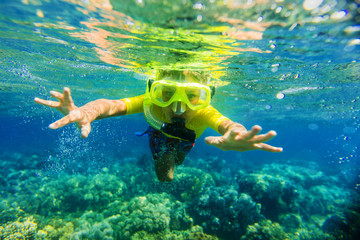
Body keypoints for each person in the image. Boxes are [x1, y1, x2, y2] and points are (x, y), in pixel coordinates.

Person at [34, 70, 282, 182]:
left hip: (187, 140)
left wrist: (236, 135)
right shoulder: (148, 104)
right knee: (164, 176)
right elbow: (110, 104)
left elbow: (229, 124)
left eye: (192, 96)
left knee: (174, 165)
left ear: (206, 97)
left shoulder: (205, 112)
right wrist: (86, 112)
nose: (178, 106)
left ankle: (176, 155)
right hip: (159, 132)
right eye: (167, 93)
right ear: (154, 91)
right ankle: (167, 158)